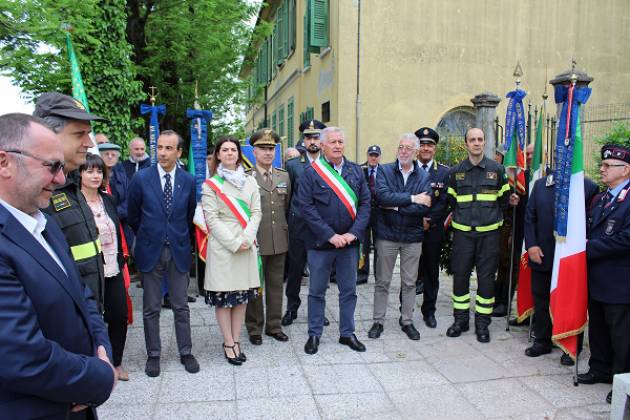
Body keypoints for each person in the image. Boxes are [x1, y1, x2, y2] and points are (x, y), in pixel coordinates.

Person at [0, 113, 116, 419]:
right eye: (52, 166)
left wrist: (101, 349)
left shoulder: (46, 224)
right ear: (4, 162)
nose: (62, 179)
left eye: (61, 167)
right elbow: (21, 356)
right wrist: (99, 377)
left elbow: (82, 296)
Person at [127, 130, 199, 377]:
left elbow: (189, 215)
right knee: (151, 308)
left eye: (169, 148)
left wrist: (176, 236)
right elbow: (133, 214)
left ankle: (186, 351)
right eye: (159, 147)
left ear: (179, 152)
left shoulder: (188, 180)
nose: (163, 153)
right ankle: (153, 355)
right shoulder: (141, 179)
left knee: (181, 306)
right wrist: (149, 234)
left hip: (178, 250)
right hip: (150, 250)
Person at [296, 127, 371, 355]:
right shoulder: (310, 173)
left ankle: (347, 333)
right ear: (323, 145)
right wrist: (330, 235)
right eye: (333, 142)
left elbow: (366, 205)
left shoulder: (356, 171)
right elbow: (305, 208)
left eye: (340, 141)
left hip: (348, 244)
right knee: (317, 292)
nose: (337, 145)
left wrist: (353, 233)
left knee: (349, 291)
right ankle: (314, 334)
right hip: (320, 244)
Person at [34, 92, 107, 310]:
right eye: (79, 134)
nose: (89, 143)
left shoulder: (74, 184)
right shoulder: (35, 193)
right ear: (47, 135)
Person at [446, 127, 519, 343]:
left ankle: (482, 323)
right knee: (460, 277)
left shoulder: (497, 170)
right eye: (472, 140)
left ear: (484, 142)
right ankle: (460, 320)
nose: (477, 143)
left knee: (486, 280)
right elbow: (451, 203)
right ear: (466, 144)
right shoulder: (455, 172)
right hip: (463, 236)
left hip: (489, 237)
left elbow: (505, 201)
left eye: (480, 139)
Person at [524, 171, 599, 365]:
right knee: (540, 299)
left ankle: (570, 347)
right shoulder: (541, 185)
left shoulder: (588, 187)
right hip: (542, 254)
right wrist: (531, 245)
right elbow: (529, 217)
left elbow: (592, 224)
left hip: (570, 261)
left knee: (571, 302)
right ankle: (542, 341)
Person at [202, 137, 261, 365]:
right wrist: (235, 242)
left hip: (247, 244)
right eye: (224, 150)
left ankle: (236, 340)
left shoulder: (250, 182)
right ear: (218, 155)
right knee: (224, 297)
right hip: (224, 248)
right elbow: (211, 219)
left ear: (238, 153)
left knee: (241, 298)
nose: (229, 153)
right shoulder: (211, 185)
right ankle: (227, 342)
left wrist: (246, 238)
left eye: (233, 150)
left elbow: (256, 212)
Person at [578, 144, 630, 405]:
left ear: (626, 170)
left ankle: (622, 380)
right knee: (597, 327)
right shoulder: (601, 198)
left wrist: (589, 248)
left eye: (608, 166)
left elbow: (626, 239)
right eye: (602, 164)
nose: (602, 168)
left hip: (620, 280)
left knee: (621, 334)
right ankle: (599, 368)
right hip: (596, 276)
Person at [368, 134, 431, 341]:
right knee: (382, 281)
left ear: (416, 152)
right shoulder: (385, 170)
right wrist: (412, 198)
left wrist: (394, 206)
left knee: (410, 282)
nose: (403, 151)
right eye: (401, 147)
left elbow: (423, 208)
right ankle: (378, 321)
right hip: (387, 234)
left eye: (408, 148)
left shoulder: (422, 176)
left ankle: (407, 321)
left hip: (412, 237)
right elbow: (382, 197)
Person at [79, 153, 130, 381]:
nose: (95, 175)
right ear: (79, 174)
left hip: (113, 268)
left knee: (119, 316)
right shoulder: (73, 203)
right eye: (89, 171)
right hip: (86, 273)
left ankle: (116, 362)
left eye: (99, 171)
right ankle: (94, 365)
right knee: (91, 320)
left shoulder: (108, 199)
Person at [245, 129, 291, 345]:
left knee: (275, 285)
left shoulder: (284, 176)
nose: (268, 153)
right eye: (263, 148)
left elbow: (287, 206)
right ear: (254, 151)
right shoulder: (246, 178)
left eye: (271, 149)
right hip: (255, 241)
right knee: (255, 287)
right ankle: (254, 327)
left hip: (279, 239)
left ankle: (274, 326)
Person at [282, 120, 329, 327]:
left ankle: (319, 310)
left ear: (322, 140)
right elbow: (288, 197)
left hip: (322, 228)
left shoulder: (330, 164)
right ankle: (292, 308)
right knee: (295, 271)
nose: (312, 141)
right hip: (299, 227)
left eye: (316, 137)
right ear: (303, 140)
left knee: (320, 271)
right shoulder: (293, 166)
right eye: (309, 137)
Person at [414, 127, 450, 328]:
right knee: (409, 272)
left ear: (435, 148)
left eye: (430, 145)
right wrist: (417, 220)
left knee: (431, 273)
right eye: (422, 144)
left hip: (433, 231)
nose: (426, 148)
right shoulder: (407, 168)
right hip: (410, 229)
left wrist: (429, 220)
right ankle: (406, 309)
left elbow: (444, 201)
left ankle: (429, 311)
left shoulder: (444, 172)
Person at [358, 144, 381, 285]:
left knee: (380, 245)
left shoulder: (385, 171)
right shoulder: (360, 170)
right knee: (362, 245)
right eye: (371, 155)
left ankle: (380, 275)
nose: (373, 158)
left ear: (379, 157)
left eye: (376, 155)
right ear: (367, 156)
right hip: (364, 212)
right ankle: (361, 273)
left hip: (380, 212)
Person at [98, 142, 129, 223]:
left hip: (121, 222)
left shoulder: (122, 178)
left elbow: (129, 200)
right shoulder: (93, 178)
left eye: (113, 155)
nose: (110, 157)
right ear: (99, 157)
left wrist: (114, 214)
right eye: (106, 154)